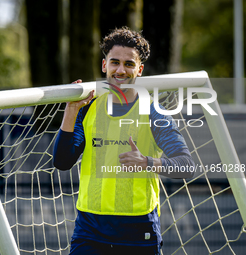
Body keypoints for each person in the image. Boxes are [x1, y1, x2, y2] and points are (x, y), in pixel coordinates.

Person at [53, 27, 194, 255]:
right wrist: (70, 110)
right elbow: (62, 161)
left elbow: (186, 165)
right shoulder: (86, 109)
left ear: (139, 69)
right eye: (114, 62)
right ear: (104, 65)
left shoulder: (154, 113)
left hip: (138, 231)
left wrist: (148, 162)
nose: (120, 70)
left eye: (129, 64)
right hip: (90, 228)